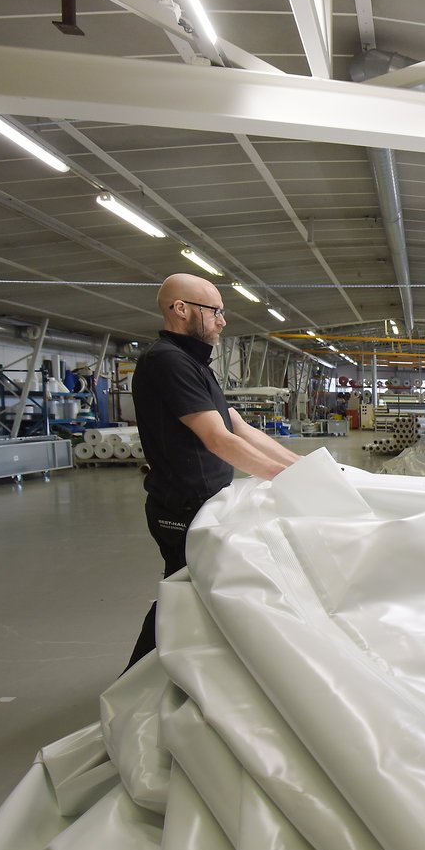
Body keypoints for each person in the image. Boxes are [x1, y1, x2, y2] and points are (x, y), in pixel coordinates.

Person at [126, 273, 300, 668]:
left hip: (202, 504)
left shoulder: (193, 363)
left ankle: (180, 668)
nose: (223, 321)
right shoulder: (167, 361)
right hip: (182, 509)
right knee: (184, 592)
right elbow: (218, 439)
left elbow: (239, 426)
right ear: (181, 309)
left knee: (194, 592)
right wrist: (287, 479)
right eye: (215, 311)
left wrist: (303, 466)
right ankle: (135, 677)